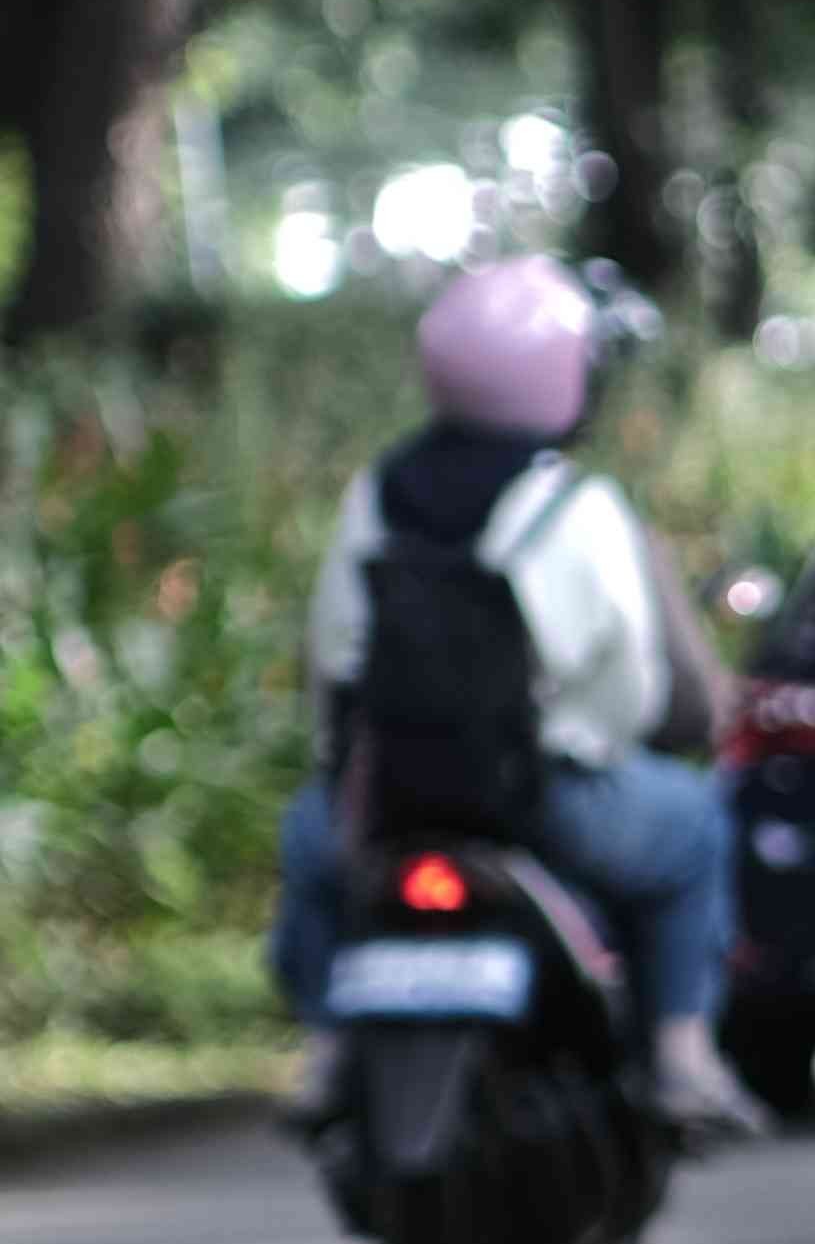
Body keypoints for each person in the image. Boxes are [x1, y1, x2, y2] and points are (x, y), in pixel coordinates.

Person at [273, 257, 767, 1142]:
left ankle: (326, 1045)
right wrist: (601, 738)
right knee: (696, 828)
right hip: (550, 802)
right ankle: (681, 1054)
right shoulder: (576, 504)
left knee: (306, 845)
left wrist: (346, 769)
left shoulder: (376, 494)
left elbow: (332, 656)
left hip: (383, 805)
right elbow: (631, 685)